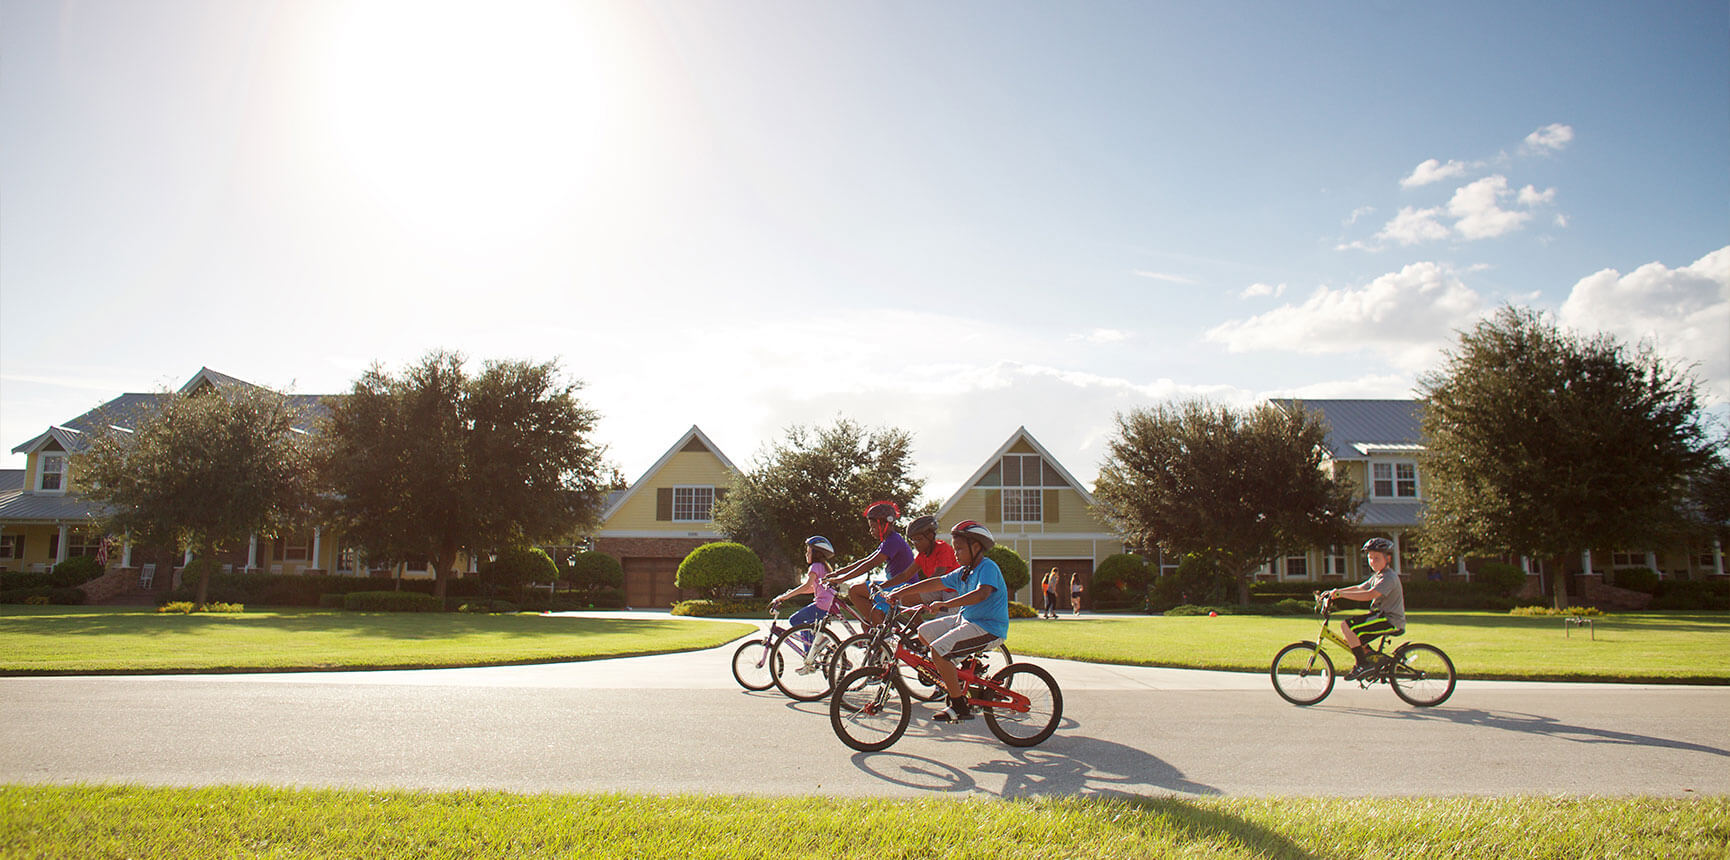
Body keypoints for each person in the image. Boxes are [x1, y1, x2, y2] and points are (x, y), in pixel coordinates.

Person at [889, 521, 1010, 723]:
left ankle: (959, 705)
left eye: (960, 549)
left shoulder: (987, 567)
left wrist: (946, 605)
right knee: (924, 631)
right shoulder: (964, 571)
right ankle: (959, 674)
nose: (956, 554)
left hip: (988, 627)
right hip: (967, 621)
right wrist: (900, 592)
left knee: (938, 651)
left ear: (976, 547)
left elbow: (982, 594)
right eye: (955, 549)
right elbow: (935, 583)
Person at [1323, 537, 1407, 680]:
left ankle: (1363, 664)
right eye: (1370, 557)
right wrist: (1335, 591)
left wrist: (1341, 594)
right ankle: (1374, 663)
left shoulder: (1388, 577)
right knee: (1351, 635)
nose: (1372, 561)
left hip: (1390, 620)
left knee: (1347, 626)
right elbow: (1360, 587)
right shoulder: (1378, 576)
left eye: (1377, 558)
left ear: (1388, 558)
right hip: (1381, 617)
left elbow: (1370, 594)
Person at [825, 501, 918, 625]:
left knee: (855, 591)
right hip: (898, 586)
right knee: (867, 621)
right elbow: (864, 561)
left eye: (873, 527)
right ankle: (879, 631)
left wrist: (842, 579)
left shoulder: (893, 541)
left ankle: (882, 634)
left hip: (906, 586)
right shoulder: (888, 541)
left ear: (884, 524)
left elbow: (870, 564)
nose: (870, 531)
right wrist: (837, 573)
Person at [769, 535, 839, 640]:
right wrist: (793, 592)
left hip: (821, 606)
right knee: (808, 628)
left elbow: (806, 585)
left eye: (808, 552)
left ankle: (809, 649)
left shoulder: (814, 567)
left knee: (794, 620)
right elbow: (812, 588)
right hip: (828, 605)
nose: (806, 554)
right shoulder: (824, 567)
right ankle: (818, 641)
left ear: (815, 554)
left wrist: (785, 596)